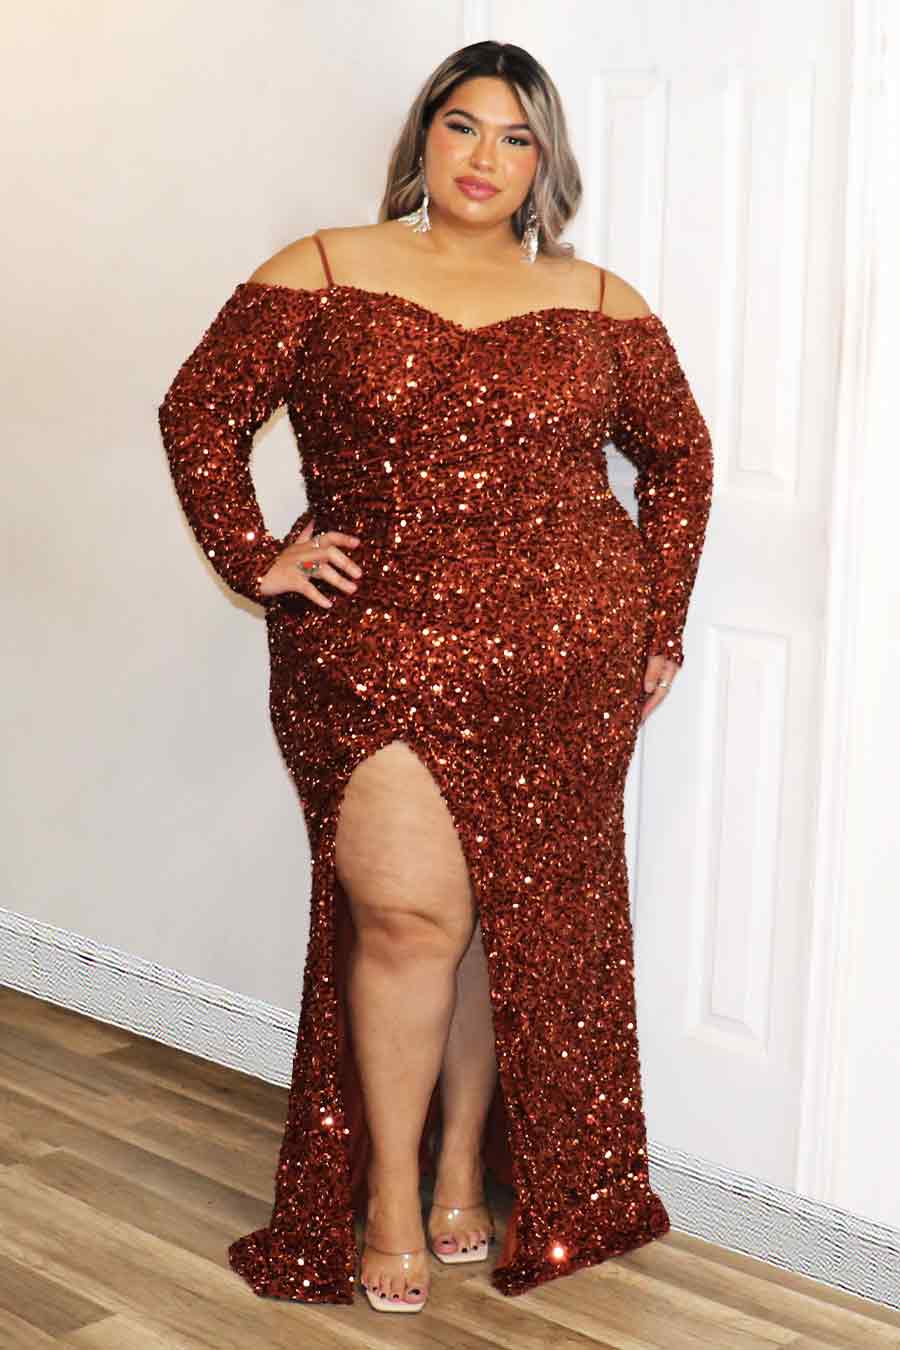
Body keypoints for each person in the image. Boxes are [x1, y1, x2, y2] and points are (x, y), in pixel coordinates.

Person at [158, 39, 714, 1317]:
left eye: (517, 138)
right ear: (424, 136)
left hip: (564, 665)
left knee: (499, 917)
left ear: (545, 165)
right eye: (464, 125)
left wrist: (659, 626)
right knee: (411, 917)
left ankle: (466, 1163)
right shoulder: (325, 266)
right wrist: (256, 556)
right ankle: (392, 1200)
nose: (484, 158)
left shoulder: (599, 300)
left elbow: (680, 458)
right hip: (370, 648)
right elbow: (200, 412)